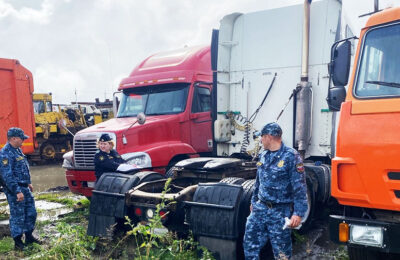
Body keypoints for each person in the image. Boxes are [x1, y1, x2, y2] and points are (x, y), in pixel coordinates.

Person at [243, 122, 308, 260]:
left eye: (262, 137)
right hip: (260, 208)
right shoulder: (263, 155)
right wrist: (253, 201)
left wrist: (298, 213)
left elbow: (299, 187)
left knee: (281, 252)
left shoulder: (291, 156)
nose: (260, 140)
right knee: (250, 244)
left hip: (279, 212)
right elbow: (258, 182)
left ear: (269, 137)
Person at [0, 127, 41, 250]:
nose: (23, 140)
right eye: (21, 138)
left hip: (24, 187)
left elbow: (23, 167)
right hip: (15, 190)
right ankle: (18, 242)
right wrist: (17, 191)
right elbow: (7, 175)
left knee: (31, 212)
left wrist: (28, 183)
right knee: (18, 215)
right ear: (13, 138)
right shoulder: (5, 153)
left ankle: (29, 236)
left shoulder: (17, 150)